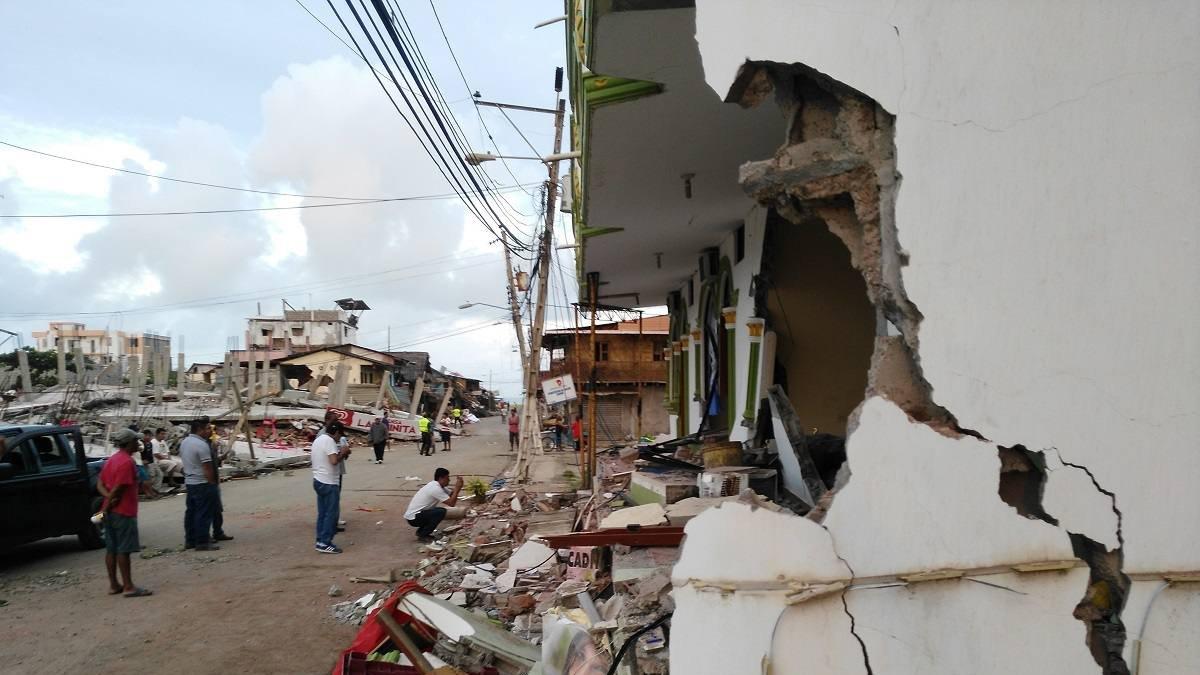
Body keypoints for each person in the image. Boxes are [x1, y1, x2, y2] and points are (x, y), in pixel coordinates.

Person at [97, 428, 152, 597]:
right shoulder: (127, 462)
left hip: (110, 510)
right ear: (129, 443)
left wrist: (107, 501)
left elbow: (100, 484)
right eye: (135, 441)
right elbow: (119, 488)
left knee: (111, 548)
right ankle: (128, 586)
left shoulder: (112, 460)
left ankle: (114, 584)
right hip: (123, 510)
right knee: (124, 549)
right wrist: (110, 501)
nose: (138, 443)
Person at [181, 416, 221, 551]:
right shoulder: (201, 445)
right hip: (202, 483)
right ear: (200, 429)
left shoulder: (185, 442)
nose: (210, 431)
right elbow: (207, 468)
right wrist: (212, 484)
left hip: (190, 482)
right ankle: (202, 541)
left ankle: (190, 540)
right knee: (204, 513)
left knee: (191, 512)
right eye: (208, 428)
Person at [312, 420, 350, 553]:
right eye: (340, 435)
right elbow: (333, 461)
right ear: (337, 432)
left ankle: (320, 540)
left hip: (318, 479)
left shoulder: (318, 440)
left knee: (322, 513)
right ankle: (325, 542)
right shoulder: (329, 441)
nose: (340, 438)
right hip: (329, 482)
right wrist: (343, 453)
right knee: (331, 514)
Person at [404, 468, 462, 542]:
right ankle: (423, 535)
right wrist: (457, 488)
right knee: (440, 512)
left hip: (416, 515)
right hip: (414, 518)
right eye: (447, 478)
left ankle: (421, 532)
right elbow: (452, 503)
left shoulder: (437, 485)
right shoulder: (435, 488)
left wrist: (458, 487)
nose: (449, 480)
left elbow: (451, 495)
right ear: (441, 478)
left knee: (438, 510)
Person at [206, 427, 233, 544]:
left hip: (213, 481)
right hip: (208, 482)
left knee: (217, 509)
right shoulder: (203, 446)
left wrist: (221, 457)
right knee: (208, 510)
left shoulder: (210, 445)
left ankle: (218, 532)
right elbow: (207, 466)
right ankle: (205, 535)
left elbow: (214, 462)